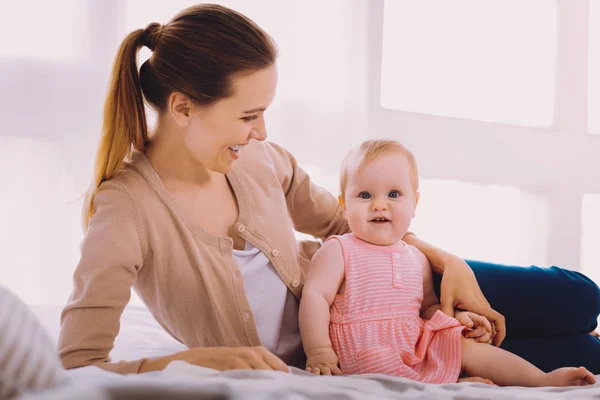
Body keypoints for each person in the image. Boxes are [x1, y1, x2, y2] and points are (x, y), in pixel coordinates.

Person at [58, 4, 600, 375]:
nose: (263, 133)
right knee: (581, 356)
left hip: (396, 283)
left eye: (264, 113)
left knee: (580, 297)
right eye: (248, 115)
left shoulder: (259, 160)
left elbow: (347, 226)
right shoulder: (125, 212)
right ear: (182, 107)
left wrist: (447, 261)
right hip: (370, 350)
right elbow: (78, 363)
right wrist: (186, 362)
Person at [299, 139, 596, 386]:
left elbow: (426, 308)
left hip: (413, 344)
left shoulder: (416, 257)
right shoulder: (340, 249)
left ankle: (540, 380)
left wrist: (456, 321)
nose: (379, 204)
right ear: (343, 204)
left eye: (394, 194)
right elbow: (315, 297)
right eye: (364, 195)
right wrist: (319, 351)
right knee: (386, 372)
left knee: (463, 345)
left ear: (415, 203)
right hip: (366, 350)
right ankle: (452, 383)